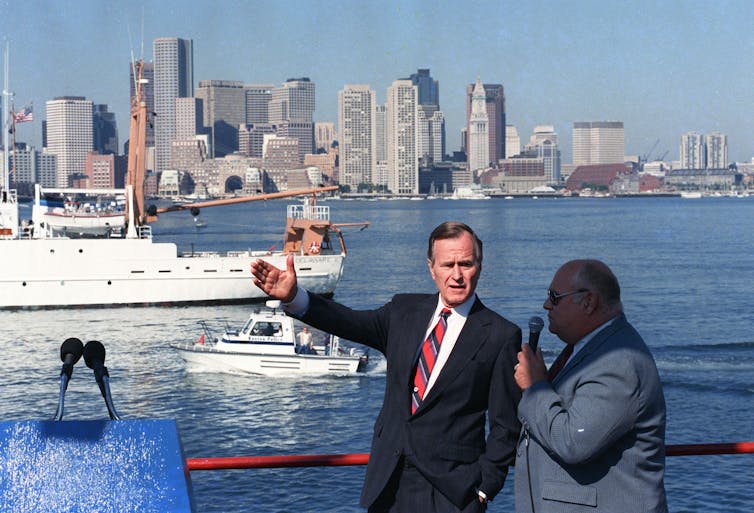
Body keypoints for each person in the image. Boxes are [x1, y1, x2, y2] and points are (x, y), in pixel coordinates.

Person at [252, 221, 522, 512]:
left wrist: (484, 489)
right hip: (388, 486)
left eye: (466, 264)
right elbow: (349, 322)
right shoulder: (404, 311)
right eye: (448, 265)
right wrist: (295, 297)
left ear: (479, 266)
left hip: (453, 494)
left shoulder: (500, 334)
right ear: (432, 268)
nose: (456, 275)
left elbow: (505, 425)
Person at [513, 259, 667, 513]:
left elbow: (573, 442)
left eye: (555, 297)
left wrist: (535, 387)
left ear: (588, 302)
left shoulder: (618, 362)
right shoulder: (588, 348)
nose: (546, 305)